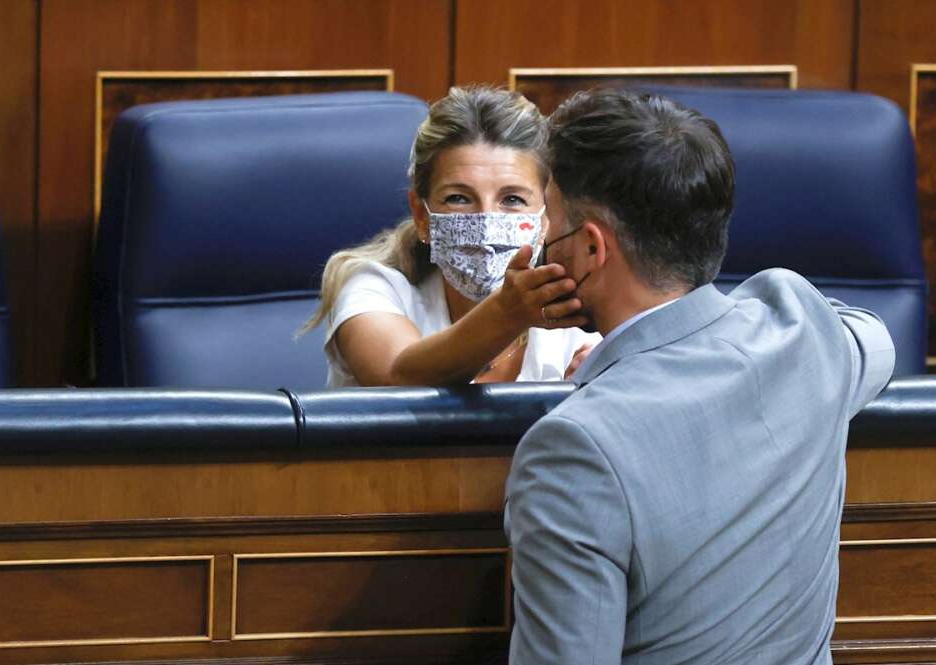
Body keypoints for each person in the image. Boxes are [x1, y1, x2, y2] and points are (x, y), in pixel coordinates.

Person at [504, 89, 895, 664]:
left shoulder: (575, 448)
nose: (540, 249)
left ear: (590, 249)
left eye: (549, 226)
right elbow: (876, 337)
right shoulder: (803, 330)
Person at [301, 86, 600, 387]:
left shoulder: (577, 298)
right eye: (459, 198)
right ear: (422, 215)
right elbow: (396, 379)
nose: (486, 222)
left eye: (512, 200)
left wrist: (587, 393)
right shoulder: (373, 287)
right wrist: (507, 314)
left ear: (547, 214)